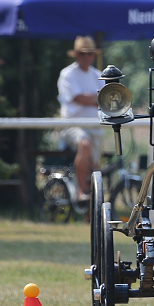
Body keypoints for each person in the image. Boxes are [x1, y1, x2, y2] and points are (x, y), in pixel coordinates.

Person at [57, 36, 105, 202]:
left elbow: (105, 102)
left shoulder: (98, 75)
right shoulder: (67, 74)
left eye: (90, 53)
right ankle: (80, 191)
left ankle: (89, 213)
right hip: (72, 125)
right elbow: (77, 98)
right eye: (83, 53)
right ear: (76, 55)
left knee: (95, 168)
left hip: (95, 127)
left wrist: (93, 99)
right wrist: (96, 99)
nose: (86, 57)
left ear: (94, 55)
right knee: (85, 145)